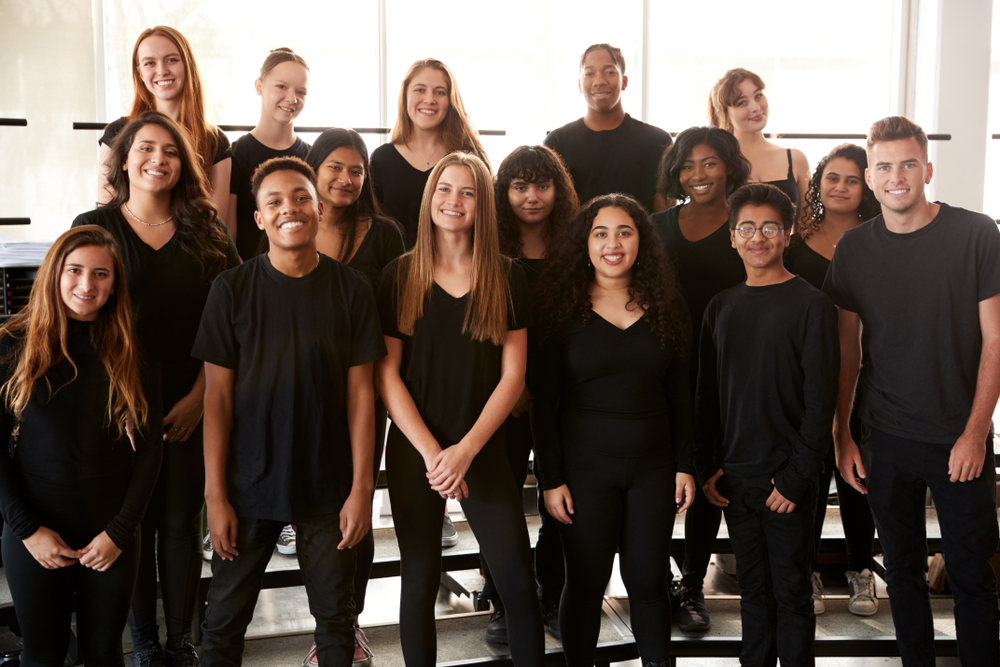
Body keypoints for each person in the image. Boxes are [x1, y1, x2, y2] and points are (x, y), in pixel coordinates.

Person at [195, 156, 385, 666]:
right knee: (223, 623)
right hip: (247, 483)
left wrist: (362, 489)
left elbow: (362, 396)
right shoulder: (231, 290)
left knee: (336, 624)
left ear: (319, 208)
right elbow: (216, 399)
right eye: (274, 202)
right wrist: (215, 495)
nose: (289, 209)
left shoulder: (352, 290)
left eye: (301, 197)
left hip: (328, 487)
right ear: (258, 218)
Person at [824, 116, 1000, 665]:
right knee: (900, 573)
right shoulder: (853, 249)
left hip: (957, 437)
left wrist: (975, 434)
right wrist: (843, 437)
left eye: (906, 164)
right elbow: (847, 354)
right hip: (885, 437)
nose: (895, 176)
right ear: (870, 179)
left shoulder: (976, 233)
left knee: (972, 574)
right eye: (883, 167)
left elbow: (996, 341)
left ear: (927, 168)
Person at [73, 111, 240, 667]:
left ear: (184, 164)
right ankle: (144, 639)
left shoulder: (207, 230)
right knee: (134, 521)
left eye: (170, 151)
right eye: (145, 148)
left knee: (178, 522)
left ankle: (181, 640)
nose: (157, 160)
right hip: (118, 401)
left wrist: (199, 396)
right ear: (124, 158)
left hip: (193, 398)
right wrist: (118, 397)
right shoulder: (95, 225)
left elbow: (233, 320)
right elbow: (80, 319)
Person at [376, 152, 544, 667]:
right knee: (419, 577)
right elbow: (386, 375)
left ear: (483, 206)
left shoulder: (507, 276)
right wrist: (434, 454)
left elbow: (513, 377)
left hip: (483, 447)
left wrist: (464, 451)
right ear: (430, 200)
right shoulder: (399, 275)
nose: (455, 201)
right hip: (415, 451)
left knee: (516, 579)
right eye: (445, 190)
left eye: (468, 192)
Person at [532, 193, 696, 667]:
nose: (613, 243)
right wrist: (550, 477)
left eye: (625, 231)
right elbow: (543, 404)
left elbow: (681, 394)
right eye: (600, 232)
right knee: (584, 582)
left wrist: (685, 464)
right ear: (584, 243)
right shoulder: (559, 309)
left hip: (653, 467)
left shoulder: (669, 306)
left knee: (647, 582)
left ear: (642, 241)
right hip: (583, 470)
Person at [0, 225, 162, 666]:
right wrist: (27, 530)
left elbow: (149, 452)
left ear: (114, 286)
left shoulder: (131, 351)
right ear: (54, 274)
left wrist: (119, 532)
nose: (87, 285)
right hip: (33, 532)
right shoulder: (12, 345)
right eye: (75, 270)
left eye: (101, 274)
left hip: (110, 533)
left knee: (104, 653)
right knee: (43, 654)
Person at [696, 183, 838, 667]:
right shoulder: (721, 307)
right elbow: (708, 398)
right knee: (752, 591)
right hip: (736, 478)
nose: (759, 237)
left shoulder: (812, 305)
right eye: (747, 228)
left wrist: (798, 477)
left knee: (792, 593)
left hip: (788, 481)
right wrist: (711, 466)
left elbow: (822, 402)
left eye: (770, 227)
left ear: (789, 233)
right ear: (732, 237)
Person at [300, 128, 405, 667]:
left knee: (355, 505)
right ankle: (325, 615)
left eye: (357, 170)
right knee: (312, 510)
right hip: (298, 394)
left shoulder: (384, 234)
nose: (346, 179)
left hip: (364, 392)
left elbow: (397, 318)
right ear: (313, 169)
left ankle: (345, 624)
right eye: (335, 167)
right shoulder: (292, 226)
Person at [650, 125, 750, 634]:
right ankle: (655, 579)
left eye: (708, 163)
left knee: (708, 475)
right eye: (687, 165)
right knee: (660, 476)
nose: (697, 174)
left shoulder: (744, 222)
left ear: (729, 165)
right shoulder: (655, 224)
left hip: (724, 367)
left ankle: (691, 585)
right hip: (661, 366)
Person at [785, 143, 881, 617]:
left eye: (852, 179)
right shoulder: (795, 242)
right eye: (833, 178)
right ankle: (807, 573)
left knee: (857, 476)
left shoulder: (879, 240)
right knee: (810, 476)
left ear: (867, 187)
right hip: (803, 377)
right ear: (818, 183)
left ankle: (862, 572)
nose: (841, 187)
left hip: (866, 374)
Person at [488, 144, 579, 643]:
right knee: (499, 505)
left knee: (559, 505)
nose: (531, 196)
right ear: (503, 193)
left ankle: (555, 597)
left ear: (557, 189)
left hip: (565, 397)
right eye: (519, 186)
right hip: (505, 397)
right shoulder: (491, 250)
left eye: (541, 184)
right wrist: (515, 387)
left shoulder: (577, 246)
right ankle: (504, 603)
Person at [97, 26, 231, 223]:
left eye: (171, 60)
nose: (162, 71)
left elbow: (218, 226)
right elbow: (104, 215)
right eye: (150, 63)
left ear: (188, 66)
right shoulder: (117, 133)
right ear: (140, 73)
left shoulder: (215, 141)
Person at [370, 58, 490, 250]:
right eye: (420, 90)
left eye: (439, 92)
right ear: (405, 96)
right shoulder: (380, 160)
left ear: (450, 101)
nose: (429, 99)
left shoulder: (470, 159)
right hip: (393, 273)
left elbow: (487, 225)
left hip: (459, 273)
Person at [543, 43, 672, 213]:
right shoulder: (557, 142)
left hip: (640, 239)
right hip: (575, 240)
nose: (599, 81)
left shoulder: (658, 141)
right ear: (580, 84)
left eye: (610, 72)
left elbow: (664, 215)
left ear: (624, 81)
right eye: (589, 73)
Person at [227, 48, 311, 261]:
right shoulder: (235, 154)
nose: (292, 98)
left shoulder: (312, 156)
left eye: (301, 92)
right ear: (259, 86)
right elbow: (226, 233)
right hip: (248, 276)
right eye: (281, 87)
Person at [707, 68, 809, 224]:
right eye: (742, 103)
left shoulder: (795, 159)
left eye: (758, 95)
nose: (755, 107)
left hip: (786, 249)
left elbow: (805, 226)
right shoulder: (717, 161)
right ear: (723, 114)